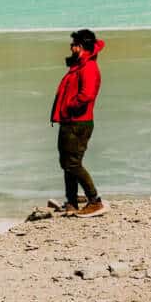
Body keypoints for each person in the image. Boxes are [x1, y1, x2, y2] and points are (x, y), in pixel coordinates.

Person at [50, 29, 107, 216]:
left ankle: (95, 200)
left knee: (73, 164)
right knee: (67, 163)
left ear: (80, 47)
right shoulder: (80, 65)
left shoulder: (88, 67)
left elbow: (87, 95)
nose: (71, 48)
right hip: (70, 121)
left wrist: (67, 107)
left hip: (78, 122)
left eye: (73, 45)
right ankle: (72, 202)